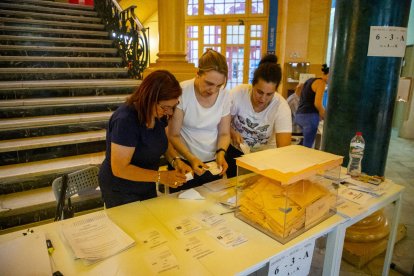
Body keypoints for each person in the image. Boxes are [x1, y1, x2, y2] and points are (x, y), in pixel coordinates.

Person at [99, 70, 192, 208]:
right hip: (121, 188)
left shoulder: (157, 115)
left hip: (146, 182)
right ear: (150, 98)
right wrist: (161, 176)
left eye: (173, 107)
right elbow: (120, 168)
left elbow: (163, 143)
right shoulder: (125, 120)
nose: (170, 112)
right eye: (165, 107)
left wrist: (176, 161)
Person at [168, 49, 231, 190]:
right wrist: (191, 158)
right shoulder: (182, 92)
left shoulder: (225, 96)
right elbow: (173, 135)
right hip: (184, 162)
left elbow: (224, 133)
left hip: (212, 162)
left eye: (219, 85)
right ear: (198, 73)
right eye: (209, 83)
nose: (213, 90)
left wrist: (221, 152)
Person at [225, 54, 292, 178]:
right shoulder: (238, 93)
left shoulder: (281, 107)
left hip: (265, 155)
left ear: (276, 90)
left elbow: (284, 149)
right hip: (235, 151)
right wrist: (232, 131)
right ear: (252, 85)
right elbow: (222, 121)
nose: (263, 98)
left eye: (269, 94)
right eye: (259, 92)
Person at [295, 64, 329, 148]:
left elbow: (299, 93)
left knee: (302, 144)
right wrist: (325, 116)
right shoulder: (321, 83)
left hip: (299, 115)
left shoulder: (310, 80)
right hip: (309, 117)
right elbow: (317, 103)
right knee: (308, 146)